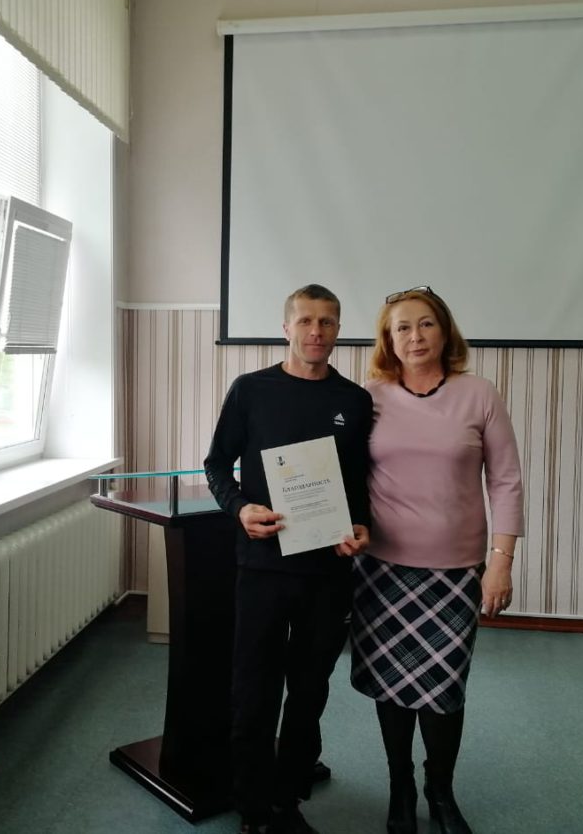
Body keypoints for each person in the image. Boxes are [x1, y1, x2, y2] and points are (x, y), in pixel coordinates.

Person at [350, 287, 524, 834]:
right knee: (391, 685)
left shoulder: (479, 394)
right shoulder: (369, 398)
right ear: (388, 339)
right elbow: (345, 475)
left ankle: (440, 789)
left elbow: (506, 481)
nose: (415, 336)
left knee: (444, 690)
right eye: (402, 327)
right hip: (381, 569)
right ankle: (400, 787)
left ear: (445, 332)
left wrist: (501, 561)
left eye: (426, 324)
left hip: (456, 571)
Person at [205, 284, 373, 834]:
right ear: (286, 328)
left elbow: (358, 484)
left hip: (327, 574)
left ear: (339, 329)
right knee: (253, 691)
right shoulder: (251, 390)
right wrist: (240, 509)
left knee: (308, 694)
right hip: (262, 568)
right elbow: (216, 465)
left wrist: (361, 526)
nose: (316, 332)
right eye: (305, 321)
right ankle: (253, 809)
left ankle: (287, 799)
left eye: (327, 322)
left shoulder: (354, 401)